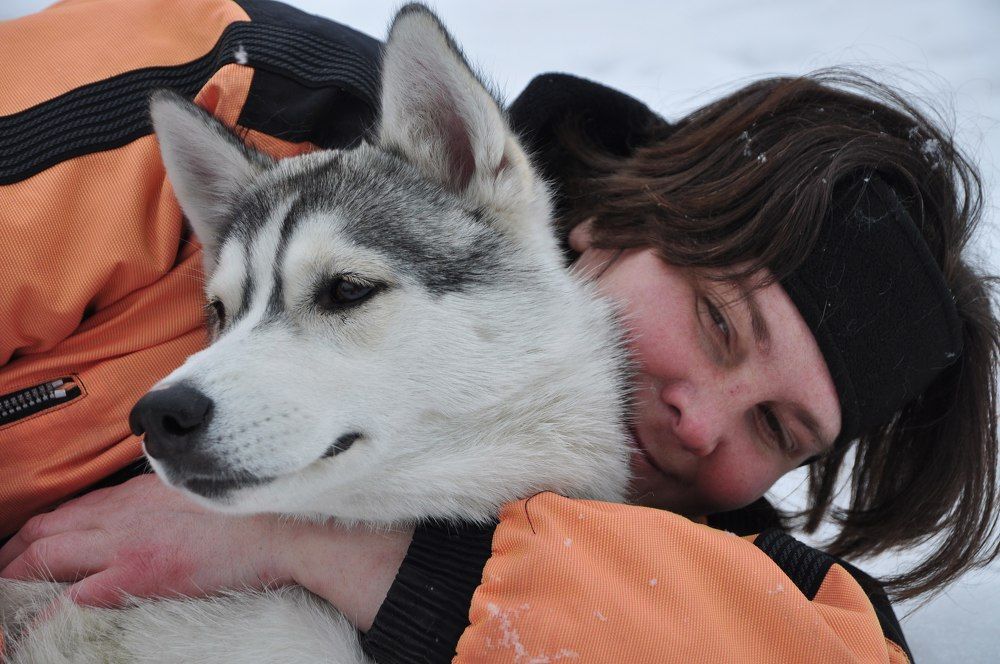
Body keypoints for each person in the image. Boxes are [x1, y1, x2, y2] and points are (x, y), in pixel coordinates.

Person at [0, 0, 996, 661]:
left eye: (778, 429)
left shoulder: (676, 549)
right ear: (615, 219)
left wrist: (348, 553)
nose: (703, 421)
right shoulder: (252, 102)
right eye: (717, 323)